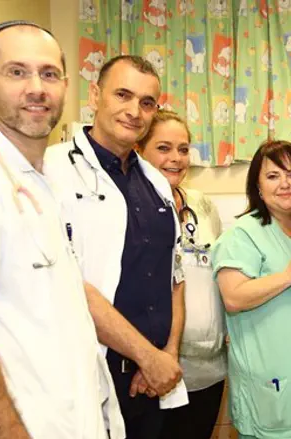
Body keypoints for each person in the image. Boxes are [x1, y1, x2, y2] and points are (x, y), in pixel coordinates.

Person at [0, 21, 134, 439]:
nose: (37, 88)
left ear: (65, 86)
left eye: (49, 74)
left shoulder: (40, 184)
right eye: (17, 72)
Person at [44, 55, 183, 438]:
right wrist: (148, 356)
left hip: (151, 381)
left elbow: (176, 276)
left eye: (147, 102)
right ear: (94, 95)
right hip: (88, 376)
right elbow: (69, 283)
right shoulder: (52, 172)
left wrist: (166, 356)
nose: (134, 111)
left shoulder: (156, 181)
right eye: (123, 95)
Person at [211, 140, 291, 439]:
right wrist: (289, 274)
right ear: (257, 185)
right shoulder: (243, 234)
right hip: (271, 387)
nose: (285, 184)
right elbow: (233, 297)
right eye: (273, 176)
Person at [135, 110, 226, 439]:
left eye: (183, 149)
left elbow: (214, 272)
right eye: (163, 148)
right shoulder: (129, 207)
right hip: (154, 371)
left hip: (209, 369)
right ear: (139, 150)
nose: (175, 158)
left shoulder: (201, 204)